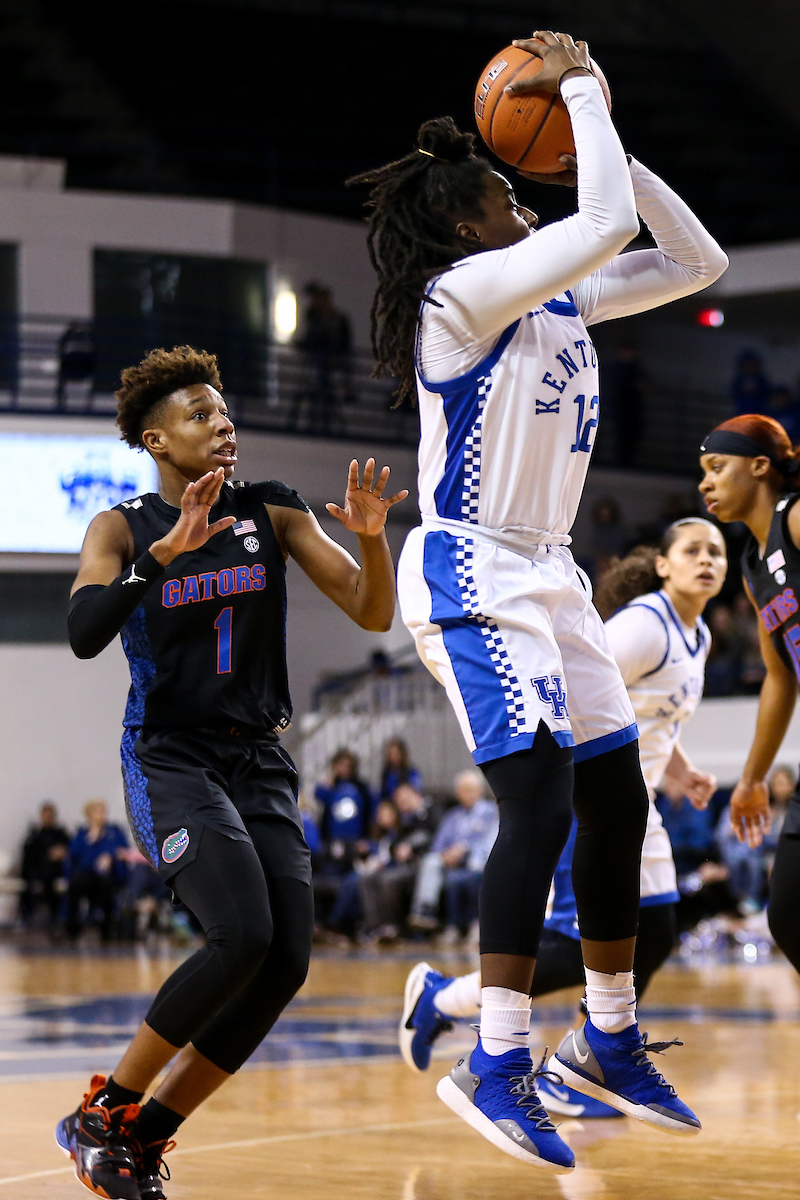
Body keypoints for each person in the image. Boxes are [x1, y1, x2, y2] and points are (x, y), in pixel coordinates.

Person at [350, 28, 726, 1169]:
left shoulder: (556, 300)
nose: (525, 200)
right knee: (542, 809)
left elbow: (693, 258)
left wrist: (596, 131)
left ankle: (605, 1038)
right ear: (467, 222)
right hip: (473, 566)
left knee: (615, 802)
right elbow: (606, 225)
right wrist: (580, 92)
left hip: (549, 572)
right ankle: (493, 1057)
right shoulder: (458, 296)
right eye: (509, 191)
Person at [55, 344, 406, 1200]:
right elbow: (84, 633)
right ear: (154, 440)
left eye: (224, 412)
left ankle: (142, 1137)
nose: (223, 425)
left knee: (284, 960)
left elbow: (370, 610)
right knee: (240, 935)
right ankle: (102, 1111)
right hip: (171, 754)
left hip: (258, 757)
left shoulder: (273, 511)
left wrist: (373, 539)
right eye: (200, 415)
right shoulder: (121, 526)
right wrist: (163, 555)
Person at [400, 519, 727, 1121]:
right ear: (662, 563)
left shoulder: (698, 634)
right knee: (569, 947)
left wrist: (677, 766)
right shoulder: (643, 626)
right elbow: (586, 701)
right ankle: (450, 1005)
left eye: (716, 551)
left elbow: (629, 709)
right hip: (591, 795)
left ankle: (592, 1058)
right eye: (692, 550)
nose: (706, 560)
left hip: (642, 800)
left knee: (650, 934)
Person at [699, 412, 800, 981]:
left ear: (760, 467)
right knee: (787, 913)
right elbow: (779, 676)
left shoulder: (797, 518)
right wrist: (752, 779)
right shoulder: (752, 567)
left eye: (717, 468)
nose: (705, 482)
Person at [408, 769, 498, 941]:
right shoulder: (452, 816)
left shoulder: (490, 812)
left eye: (470, 789)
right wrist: (446, 855)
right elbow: (438, 845)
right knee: (431, 862)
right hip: (451, 864)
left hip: (478, 862)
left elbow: (491, 841)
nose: (466, 794)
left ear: (480, 791)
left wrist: (465, 850)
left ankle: (472, 925)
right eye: (462, 790)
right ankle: (425, 911)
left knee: (461, 879)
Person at [65, 800, 129, 942]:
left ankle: (106, 929)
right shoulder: (82, 833)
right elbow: (74, 855)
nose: (102, 815)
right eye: (98, 811)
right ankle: (72, 929)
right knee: (75, 884)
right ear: (89, 814)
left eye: (103, 811)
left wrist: (110, 856)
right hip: (85, 875)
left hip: (108, 876)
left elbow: (123, 850)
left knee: (105, 885)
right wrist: (91, 838)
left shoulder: (114, 831)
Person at [19, 801, 70, 929]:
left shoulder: (60, 834)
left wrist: (61, 852)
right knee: (26, 882)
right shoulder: (35, 834)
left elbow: (69, 851)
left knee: (51, 881)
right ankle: (26, 918)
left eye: (50, 815)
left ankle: (55, 917)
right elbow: (28, 854)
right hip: (36, 871)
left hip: (54, 871)